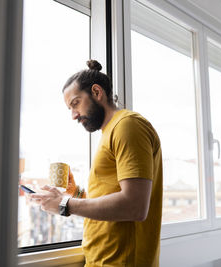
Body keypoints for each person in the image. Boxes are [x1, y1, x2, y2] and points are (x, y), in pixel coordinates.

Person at [30, 59, 163, 267]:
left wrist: (65, 205)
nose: (74, 115)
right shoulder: (110, 131)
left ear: (96, 92)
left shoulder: (128, 126)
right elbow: (109, 199)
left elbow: (135, 206)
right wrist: (75, 193)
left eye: (75, 103)